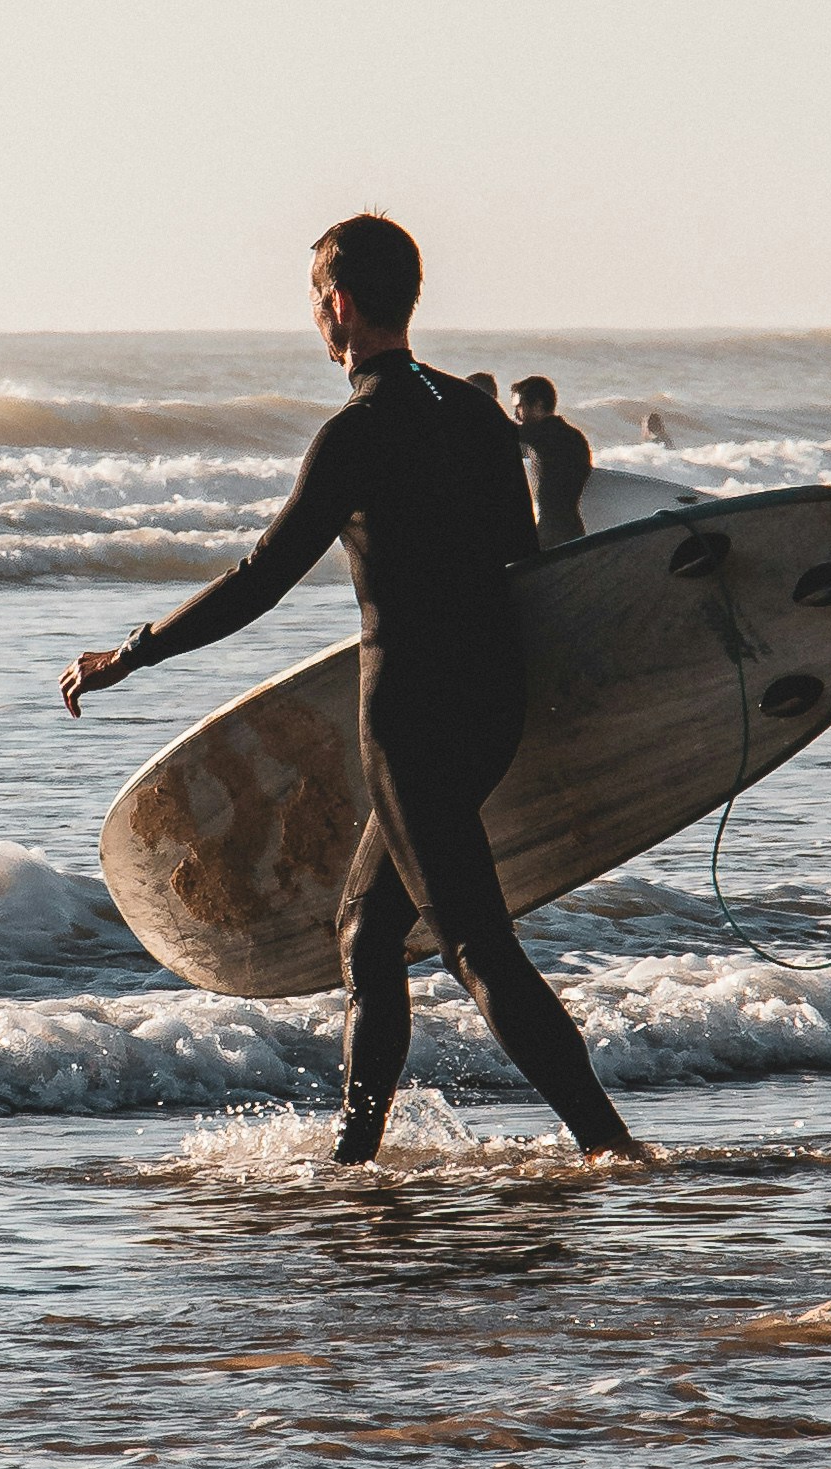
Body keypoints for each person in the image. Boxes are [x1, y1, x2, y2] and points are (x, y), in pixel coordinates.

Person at [60, 214, 637, 1168]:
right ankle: (355, 1158)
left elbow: (260, 579)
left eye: (315, 300)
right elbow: (526, 563)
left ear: (339, 304)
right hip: (493, 700)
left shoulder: (356, 434)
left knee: (475, 945)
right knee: (367, 932)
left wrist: (133, 653)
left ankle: (610, 1146)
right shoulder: (476, 416)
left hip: (411, 716)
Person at [511, 375, 592, 548]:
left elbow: (497, 433)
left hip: (547, 534)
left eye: (519, 406)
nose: (516, 414)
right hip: (575, 531)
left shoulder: (536, 434)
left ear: (538, 405)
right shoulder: (576, 437)